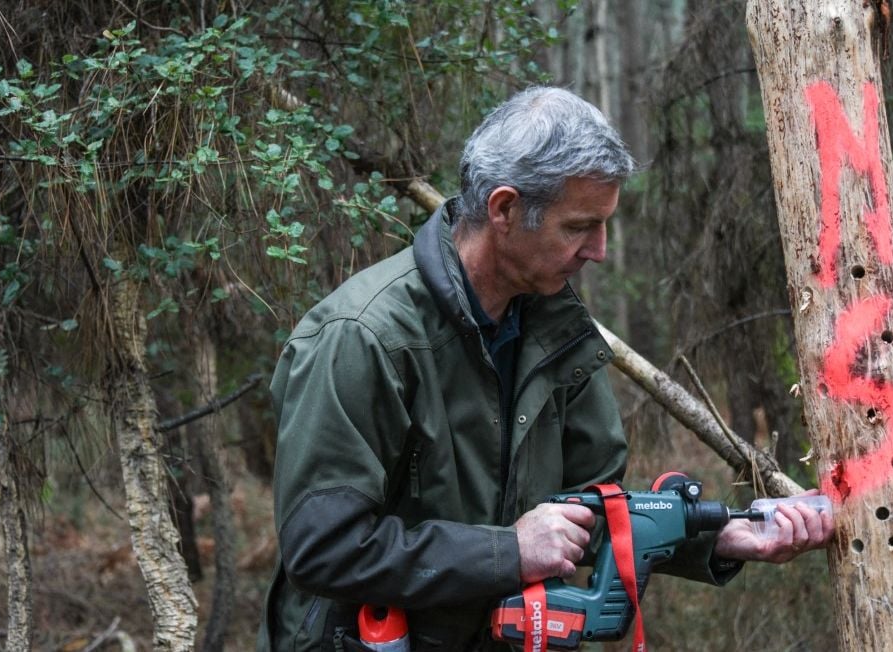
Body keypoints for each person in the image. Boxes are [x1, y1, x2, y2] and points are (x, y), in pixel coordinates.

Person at [257, 86, 833, 651]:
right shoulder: (363, 338)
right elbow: (324, 548)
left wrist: (722, 536)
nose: (600, 250)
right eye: (579, 226)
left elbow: (595, 508)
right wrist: (509, 551)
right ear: (504, 209)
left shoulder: (554, 330)